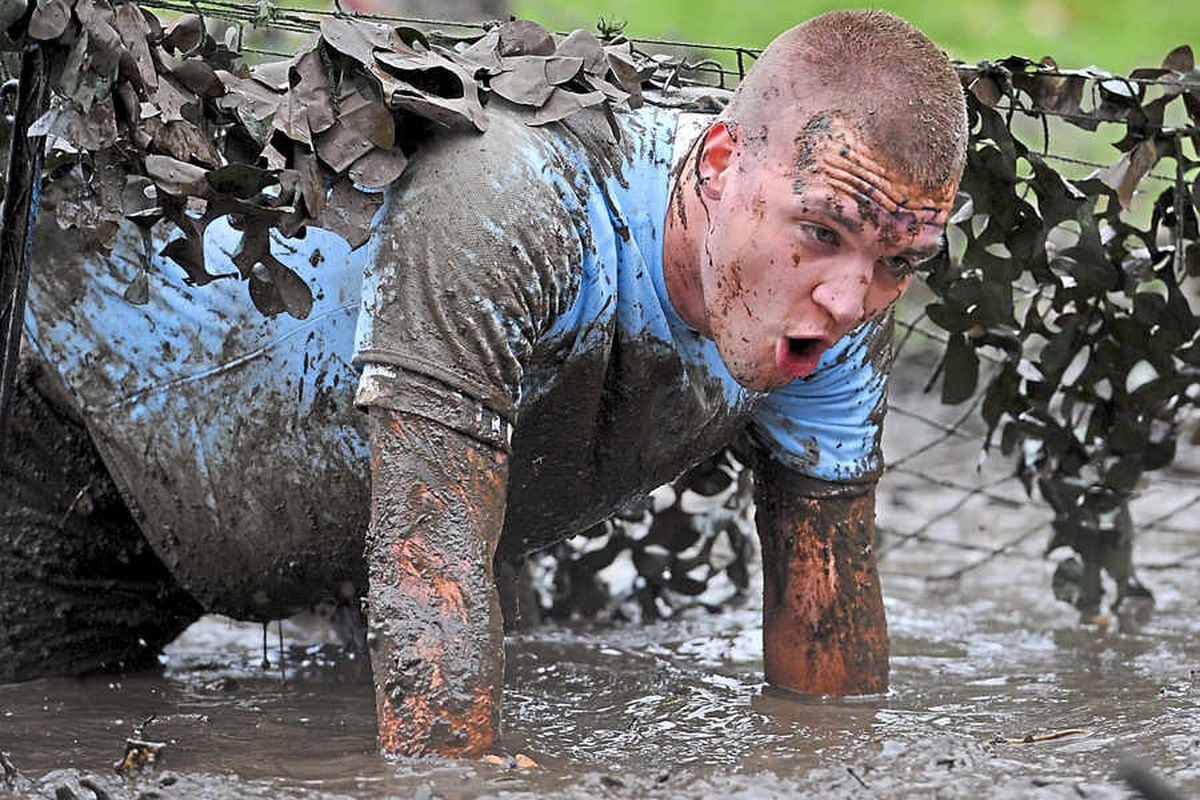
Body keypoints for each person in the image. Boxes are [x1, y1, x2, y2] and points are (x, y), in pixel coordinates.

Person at [4, 9, 966, 759]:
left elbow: (829, 669)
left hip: (343, 525)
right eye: (822, 233)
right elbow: (429, 596)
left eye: (897, 261)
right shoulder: (521, 205)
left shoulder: (834, 314)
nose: (851, 298)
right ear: (721, 165)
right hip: (88, 450)